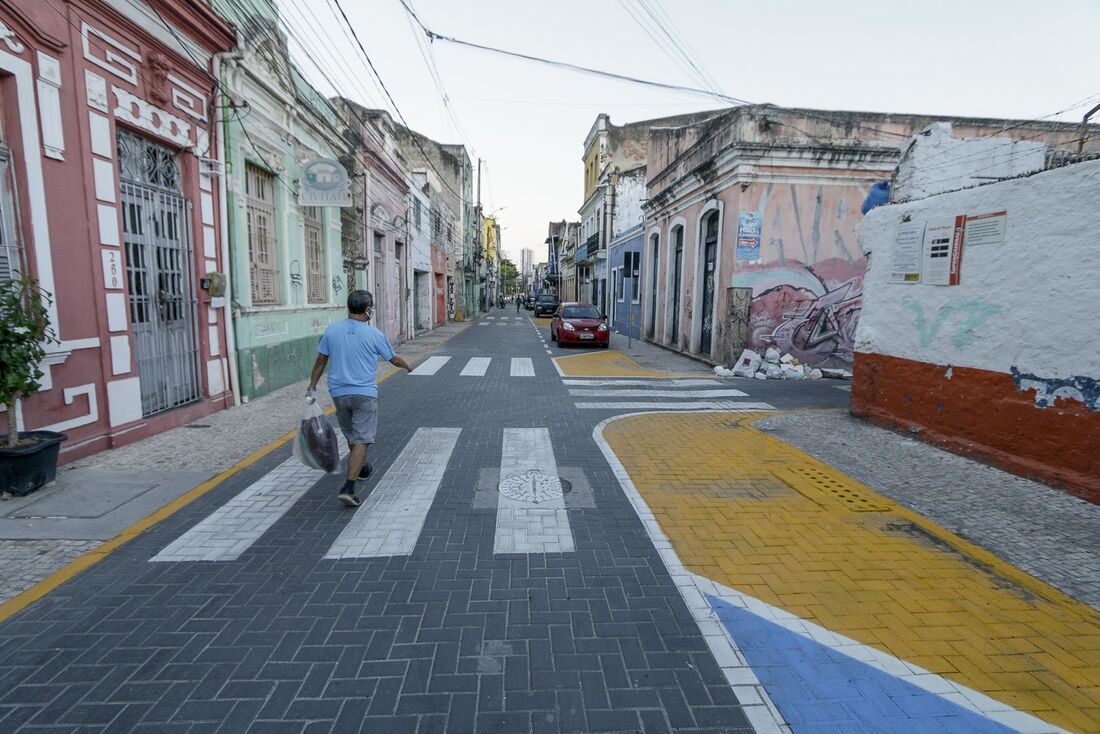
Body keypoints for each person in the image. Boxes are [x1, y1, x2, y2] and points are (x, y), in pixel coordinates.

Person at [307, 290, 411, 507]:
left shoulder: (332, 330)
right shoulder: (374, 334)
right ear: (368, 309)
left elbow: (320, 362)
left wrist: (312, 386)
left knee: (353, 435)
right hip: (364, 393)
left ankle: (361, 467)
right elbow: (393, 359)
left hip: (339, 393)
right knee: (362, 438)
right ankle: (349, 486)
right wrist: (408, 366)